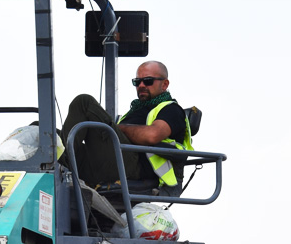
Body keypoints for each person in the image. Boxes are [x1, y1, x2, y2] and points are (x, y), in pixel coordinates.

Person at [60, 60, 192, 192]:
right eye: (137, 82)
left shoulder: (171, 109)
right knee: (45, 132)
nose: (141, 85)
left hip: (135, 168)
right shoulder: (134, 111)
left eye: (147, 81)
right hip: (108, 161)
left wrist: (118, 129)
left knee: (84, 102)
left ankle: (61, 158)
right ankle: (59, 158)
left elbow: (152, 135)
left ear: (165, 84)